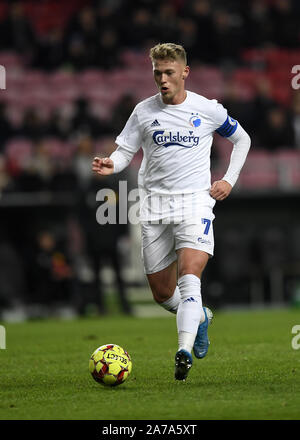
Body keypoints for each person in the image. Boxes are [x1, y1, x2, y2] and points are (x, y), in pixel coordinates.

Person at [92, 43, 251, 381]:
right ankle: (201, 317)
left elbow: (243, 140)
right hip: (153, 207)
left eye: (168, 73)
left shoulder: (207, 109)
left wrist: (229, 180)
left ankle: (182, 350)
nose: (162, 79)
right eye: (157, 73)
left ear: (184, 72)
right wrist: (112, 163)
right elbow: (125, 151)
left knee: (189, 277)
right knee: (163, 295)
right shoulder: (143, 111)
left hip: (195, 203)